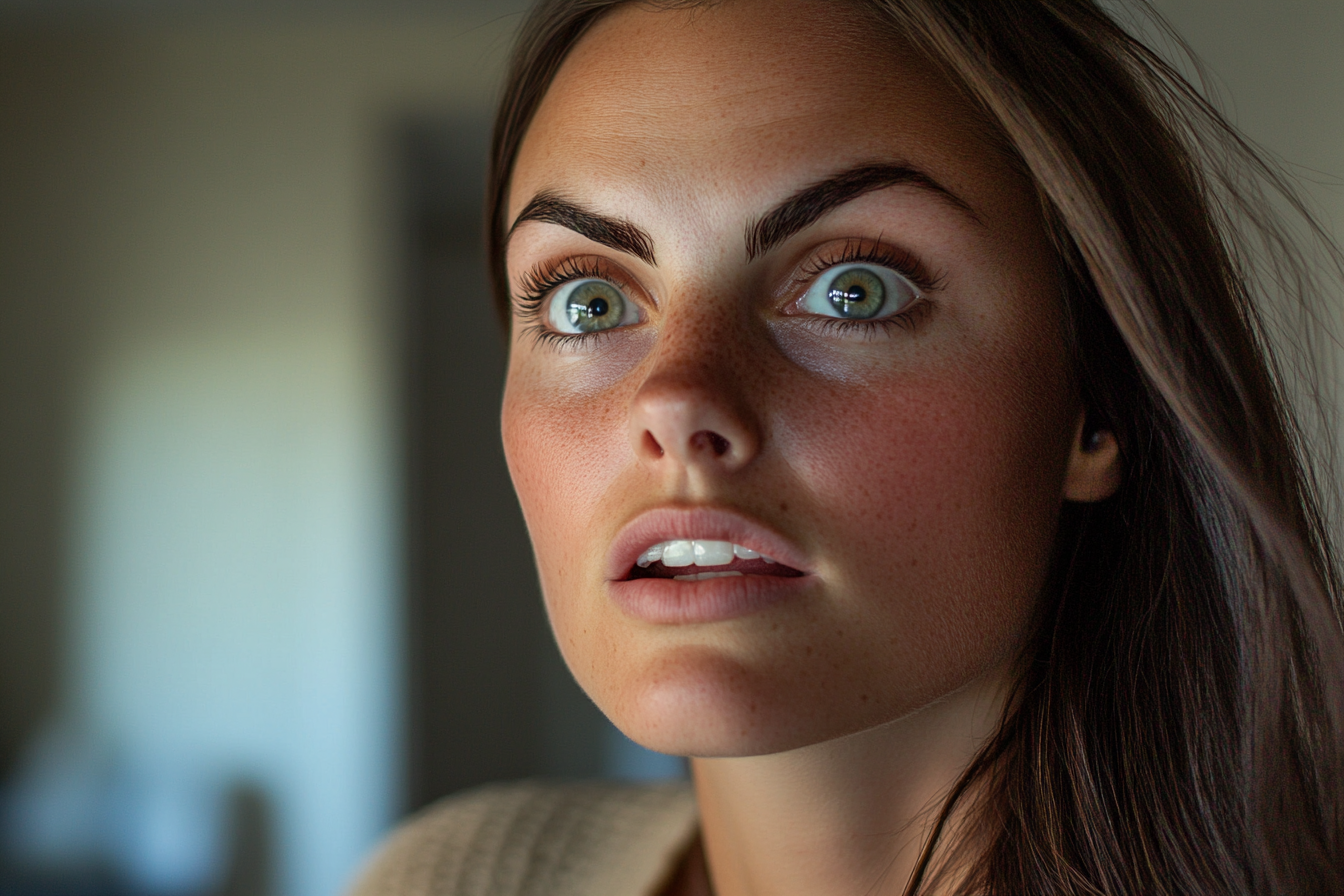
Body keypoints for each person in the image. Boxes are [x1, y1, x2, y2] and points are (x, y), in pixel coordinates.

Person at [351, 1, 1344, 893]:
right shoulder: (450, 877)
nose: (676, 397)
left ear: (1098, 403)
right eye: (588, 300)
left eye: (855, 288)